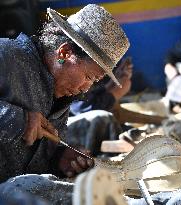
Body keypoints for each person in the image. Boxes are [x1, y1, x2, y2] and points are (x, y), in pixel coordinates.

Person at [0, 4, 129, 181]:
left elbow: (33, 164)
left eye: (94, 81)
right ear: (65, 52)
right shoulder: (6, 55)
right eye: (89, 77)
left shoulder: (61, 94)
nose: (85, 88)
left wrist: (59, 159)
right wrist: (17, 119)